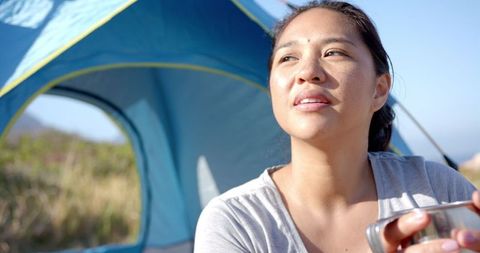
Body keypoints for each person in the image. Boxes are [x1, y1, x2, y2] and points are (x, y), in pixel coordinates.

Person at [194, 1, 479, 252]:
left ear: (379, 90)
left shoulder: (437, 190)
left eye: (334, 53)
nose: (307, 73)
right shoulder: (236, 221)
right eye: (288, 58)